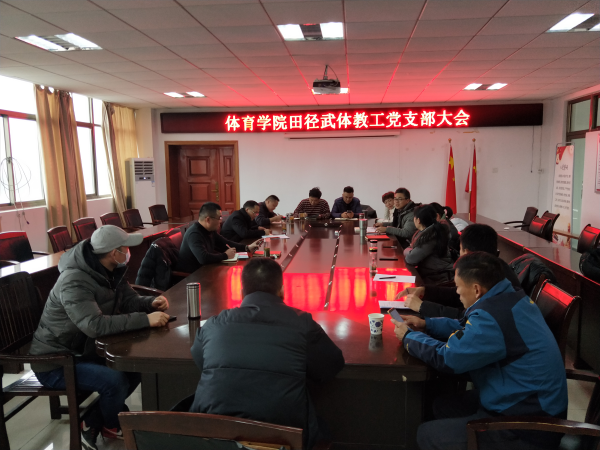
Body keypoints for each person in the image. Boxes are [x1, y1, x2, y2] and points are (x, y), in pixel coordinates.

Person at [392, 252, 568, 450]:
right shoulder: (510, 297)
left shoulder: (493, 318)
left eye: (458, 287)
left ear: (476, 289)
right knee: (440, 405)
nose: (457, 292)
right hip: (522, 399)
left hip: (528, 426)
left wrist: (409, 337)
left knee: (426, 434)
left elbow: (448, 357)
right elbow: (467, 327)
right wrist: (427, 324)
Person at [29, 225, 172, 450]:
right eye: (125, 248)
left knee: (135, 368)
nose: (128, 252)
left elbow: (128, 300)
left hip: (84, 351)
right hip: (56, 361)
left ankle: (95, 421)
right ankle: (111, 422)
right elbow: (94, 326)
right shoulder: (74, 280)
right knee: (114, 381)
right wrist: (145, 320)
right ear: (114, 252)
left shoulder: (112, 270)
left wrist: (149, 303)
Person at [190, 258, 345, 450]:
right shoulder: (301, 324)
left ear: (242, 292)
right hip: (283, 438)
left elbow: (200, 359)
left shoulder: (214, 325)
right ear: (282, 291)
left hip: (212, 438)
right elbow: (331, 365)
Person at [397, 224, 521, 319]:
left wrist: (422, 307)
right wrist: (425, 291)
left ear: (467, 253)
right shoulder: (494, 266)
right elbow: (457, 294)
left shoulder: (491, 278)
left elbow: (464, 317)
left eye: (460, 249)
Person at [178, 202, 262, 272]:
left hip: (206, 269)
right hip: (191, 276)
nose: (220, 221)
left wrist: (247, 248)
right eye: (219, 218)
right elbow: (203, 258)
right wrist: (225, 255)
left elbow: (225, 243)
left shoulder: (210, 230)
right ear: (208, 220)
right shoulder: (194, 233)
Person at [403, 205, 454, 285]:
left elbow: (411, 258)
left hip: (438, 278)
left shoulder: (430, 236)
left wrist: (407, 250)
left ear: (418, 220)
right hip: (433, 274)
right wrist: (411, 249)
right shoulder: (430, 231)